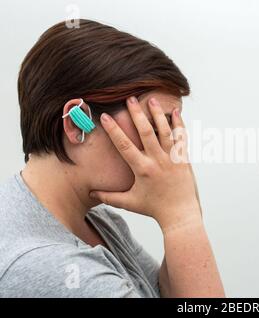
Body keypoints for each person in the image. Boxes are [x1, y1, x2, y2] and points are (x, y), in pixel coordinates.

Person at [0, 19, 225, 298]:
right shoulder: (54, 270)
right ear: (76, 123)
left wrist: (184, 211)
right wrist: (183, 220)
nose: (169, 150)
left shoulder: (98, 221)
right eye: (154, 126)